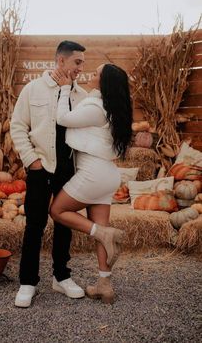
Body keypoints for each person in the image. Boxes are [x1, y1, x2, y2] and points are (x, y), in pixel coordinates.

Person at [10, 41, 88, 308]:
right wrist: (32, 161)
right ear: (61, 61)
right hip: (41, 167)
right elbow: (18, 126)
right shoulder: (33, 90)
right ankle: (28, 282)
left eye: (82, 63)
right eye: (77, 62)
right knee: (35, 224)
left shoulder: (82, 96)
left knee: (64, 223)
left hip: (69, 169)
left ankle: (61, 277)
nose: (81, 68)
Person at [50, 63, 133, 303]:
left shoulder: (97, 109)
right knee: (101, 231)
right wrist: (72, 85)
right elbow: (84, 102)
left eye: (96, 74)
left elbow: (63, 118)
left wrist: (65, 88)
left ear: (104, 82)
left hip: (93, 172)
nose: (91, 75)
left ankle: (102, 232)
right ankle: (104, 286)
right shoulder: (109, 107)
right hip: (106, 174)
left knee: (57, 210)